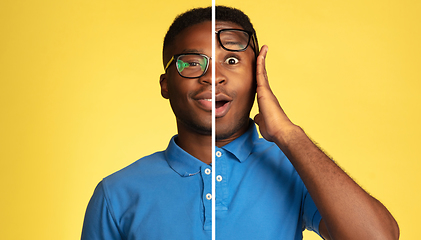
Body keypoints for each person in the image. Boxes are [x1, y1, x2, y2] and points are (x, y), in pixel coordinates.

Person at [81, 6, 399, 240]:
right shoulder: (116, 193)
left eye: (231, 60)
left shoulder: (294, 171)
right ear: (166, 84)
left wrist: (288, 134)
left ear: (257, 78)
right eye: (192, 62)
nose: (212, 76)